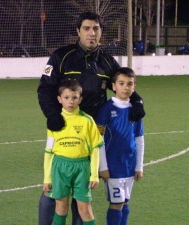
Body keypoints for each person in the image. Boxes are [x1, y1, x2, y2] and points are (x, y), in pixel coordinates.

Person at [37, 11, 145, 225]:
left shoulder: (107, 61)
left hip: (91, 133)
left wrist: (138, 102)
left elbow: (124, 84)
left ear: (101, 32)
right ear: (78, 31)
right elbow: (44, 90)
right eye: (86, 28)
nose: (91, 33)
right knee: (53, 190)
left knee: (82, 190)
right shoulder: (61, 56)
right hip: (63, 130)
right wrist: (52, 116)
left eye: (96, 28)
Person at [43, 79, 103, 225]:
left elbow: (95, 148)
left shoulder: (87, 121)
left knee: (85, 209)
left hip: (82, 167)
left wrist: (94, 174)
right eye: (66, 97)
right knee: (61, 208)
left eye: (74, 98)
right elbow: (49, 151)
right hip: (60, 167)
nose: (70, 101)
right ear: (59, 99)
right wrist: (47, 178)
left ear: (80, 99)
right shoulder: (55, 121)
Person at [95, 67, 145, 225]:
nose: (126, 87)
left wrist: (139, 166)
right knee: (116, 204)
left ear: (134, 87)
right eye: (121, 83)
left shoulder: (135, 110)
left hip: (129, 165)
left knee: (125, 202)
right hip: (113, 165)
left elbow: (139, 138)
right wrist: (103, 166)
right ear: (114, 86)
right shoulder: (106, 110)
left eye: (130, 84)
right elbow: (99, 140)